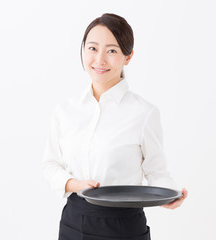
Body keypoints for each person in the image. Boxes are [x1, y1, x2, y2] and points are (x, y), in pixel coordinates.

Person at [42, 13, 188, 240]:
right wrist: (73, 183)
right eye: (92, 48)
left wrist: (171, 194)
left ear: (127, 57)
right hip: (73, 222)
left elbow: (156, 172)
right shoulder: (65, 112)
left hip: (124, 226)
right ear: (83, 50)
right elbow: (51, 165)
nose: (99, 59)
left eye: (111, 50)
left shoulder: (144, 113)